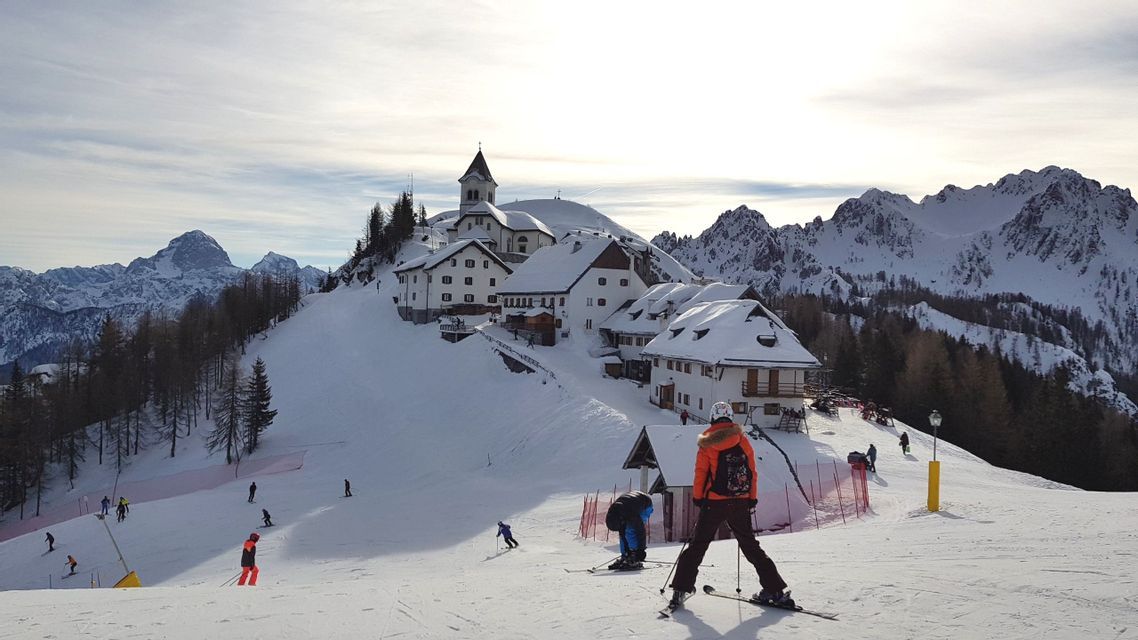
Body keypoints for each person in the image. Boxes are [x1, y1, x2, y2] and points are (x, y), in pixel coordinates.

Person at [668, 401, 792, 609]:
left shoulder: (707, 442)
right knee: (751, 546)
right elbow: (752, 473)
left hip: (715, 502)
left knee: (698, 546)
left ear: (713, 417)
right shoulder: (742, 441)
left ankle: (680, 590)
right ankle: (775, 590)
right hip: (740, 502)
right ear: (730, 418)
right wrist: (751, 497)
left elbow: (701, 473)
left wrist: (698, 497)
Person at [604, 491, 653, 571]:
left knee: (631, 529)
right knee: (624, 531)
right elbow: (621, 531)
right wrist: (626, 551)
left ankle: (634, 556)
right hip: (631, 502)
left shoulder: (630, 514)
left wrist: (641, 550)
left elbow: (640, 531)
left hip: (645, 503)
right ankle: (626, 555)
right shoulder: (613, 513)